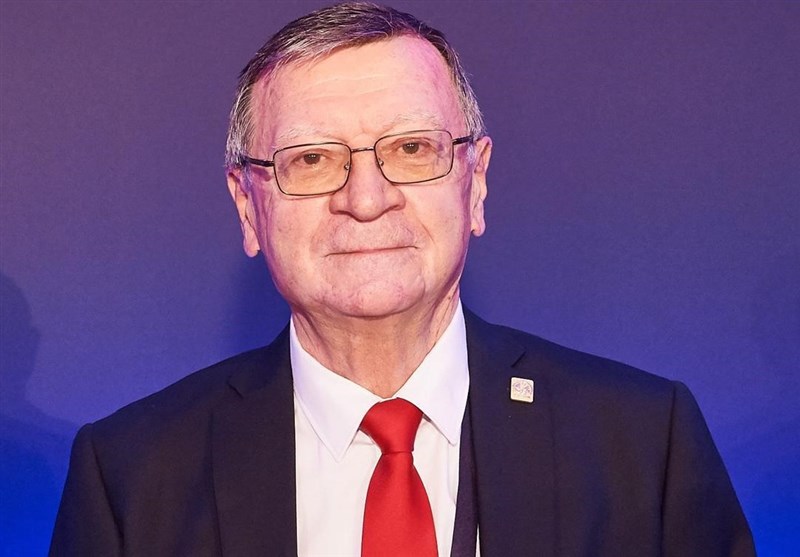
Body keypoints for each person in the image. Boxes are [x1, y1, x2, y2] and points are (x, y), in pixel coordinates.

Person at [50, 3, 755, 556]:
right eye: (312, 159)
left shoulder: (643, 447)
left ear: (476, 183)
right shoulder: (132, 476)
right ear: (246, 205)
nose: (366, 198)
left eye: (412, 148)